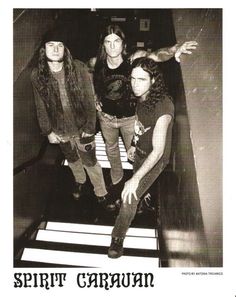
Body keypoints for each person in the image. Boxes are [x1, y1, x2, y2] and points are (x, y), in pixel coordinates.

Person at [93, 24, 197, 191]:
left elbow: (156, 55)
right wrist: (95, 97)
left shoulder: (133, 59)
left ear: (123, 43)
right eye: (108, 41)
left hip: (129, 119)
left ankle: (137, 184)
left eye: (116, 41)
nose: (112, 46)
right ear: (103, 45)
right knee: (111, 149)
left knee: (136, 153)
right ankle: (117, 178)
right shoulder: (97, 63)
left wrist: (175, 49)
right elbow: (90, 78)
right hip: (106, 118)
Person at [31, 29, 115, 210]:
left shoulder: (78, 68)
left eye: (59, 45)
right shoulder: (37, 76)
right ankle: (79, 180)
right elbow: (40, 107)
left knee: (90, 160)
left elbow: (89, 99)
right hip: (60, 131)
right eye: (51, 45)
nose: (55, 49)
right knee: (72, 159)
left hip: (83, 127)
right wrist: (48, 132)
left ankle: (101, 191)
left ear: (65, 49)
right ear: (43, 50)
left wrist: (90, 127)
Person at [108, 57, 175, 258]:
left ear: (153, 80)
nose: (135, 85)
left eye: (142, 79)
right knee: (136, 187)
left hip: (155, 159)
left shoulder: (163, 107)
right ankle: (144, 196)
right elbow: (141, 127)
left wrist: (135, 179)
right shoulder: (142, 97)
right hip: (140, 153)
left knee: (129, 195)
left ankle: (117, 238)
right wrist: (133, 145)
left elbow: (159, 150)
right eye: (133, 79)